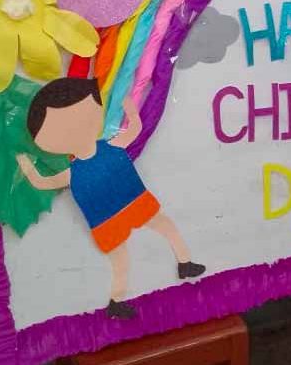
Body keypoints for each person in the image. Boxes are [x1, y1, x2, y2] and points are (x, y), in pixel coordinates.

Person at [17, 78, 205, 320]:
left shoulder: (107, 149)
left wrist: (130, 109)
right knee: (122, 259)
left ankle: (184, 263)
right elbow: (42, 182)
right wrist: (26, 166)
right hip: (108, 218)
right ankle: (117, 301)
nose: (75, 129)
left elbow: (135, 129)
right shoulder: (78, 169)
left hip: (133, 203)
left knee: (161, 229)